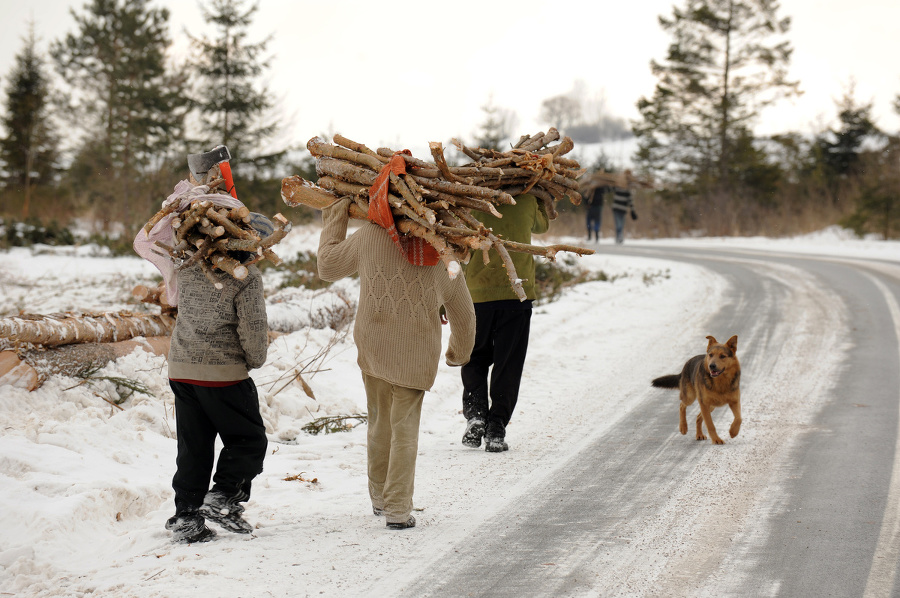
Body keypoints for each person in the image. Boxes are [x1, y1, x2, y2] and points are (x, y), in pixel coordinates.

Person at [317, 195, 475, 531]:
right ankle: (398, 508)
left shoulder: (372, 236)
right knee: (404, 430)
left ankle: (379, 497)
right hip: (416, 353)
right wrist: (458, 353)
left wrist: (334, 213)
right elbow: (464, 313)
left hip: (373, 344)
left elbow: (327, 266)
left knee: (378, 423)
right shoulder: (440, 251)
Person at [163, 225, 271, 544]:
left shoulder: (188, 265)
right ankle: (223, 497)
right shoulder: (246, 277)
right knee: (248, 441)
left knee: (193, 446)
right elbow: (253, 330)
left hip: (181, 368)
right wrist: (253, 360)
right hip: (222, 373)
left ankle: (187, 515)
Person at [460, 192, 549, 453]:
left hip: (477, 295)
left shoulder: (471, 200)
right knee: (508, 363)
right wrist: (541, 198)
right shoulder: (526, 200)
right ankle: (497, 425)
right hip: (516, 295)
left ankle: (476, 414)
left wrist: (447, 302)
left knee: (474, 357)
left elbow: (456, 247)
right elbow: (542, 226)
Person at [612, 173, 637, 244]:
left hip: (619, 209)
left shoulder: (624, 189)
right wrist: (632, 210)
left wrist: (633, 211)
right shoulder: (618, 187)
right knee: (619, 223)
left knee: (619, 224)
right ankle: (619, 237)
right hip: (619, 209)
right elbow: (630, 201)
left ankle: (618, 237)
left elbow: (630, 201)